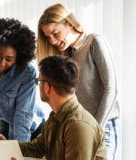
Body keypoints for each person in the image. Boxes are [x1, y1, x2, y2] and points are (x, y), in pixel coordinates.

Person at [37, 3, 119, 160]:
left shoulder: (95, 42)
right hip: (80, 129)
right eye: (48, 37)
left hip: (104, 126)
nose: (53, 41)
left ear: (69, 23)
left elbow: (111, 89)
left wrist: (94, 128)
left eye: (55, 34)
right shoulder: (68, 55)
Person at [0, 55, 107, 159]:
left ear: (47, 87)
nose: (37, 86)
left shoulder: (78, 125)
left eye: (38, 81)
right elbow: (36, 149)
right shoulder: (55, 117)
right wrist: (6, 146)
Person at [0, 18, 45, 142]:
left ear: (17, 58)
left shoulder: (27, 73)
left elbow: (22, 118)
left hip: (31, 130)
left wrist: (19, 152)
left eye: (9, 59)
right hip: (6, 122)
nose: (1, 63)